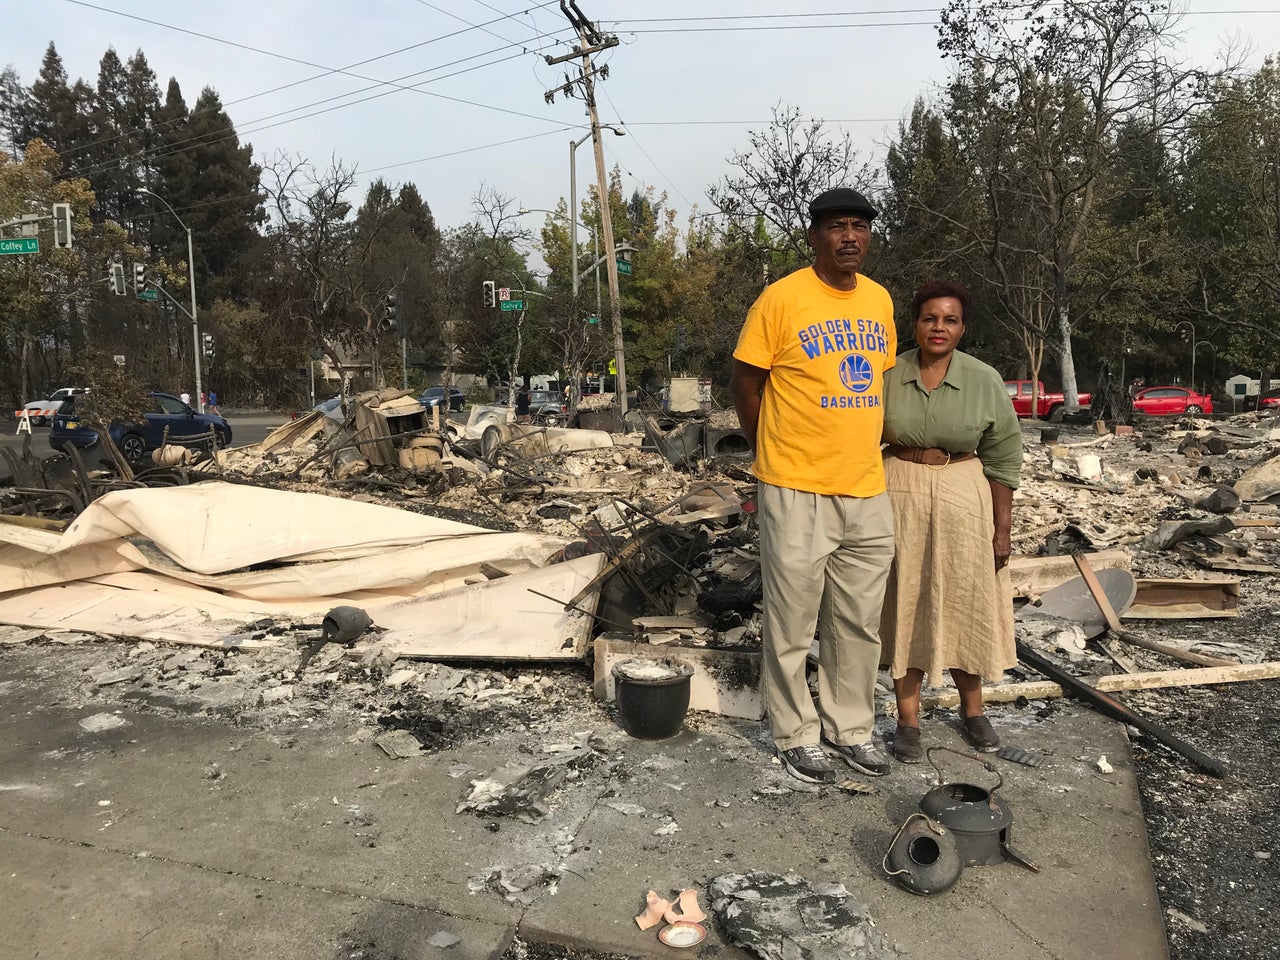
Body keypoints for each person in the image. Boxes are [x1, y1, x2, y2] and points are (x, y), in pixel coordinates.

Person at [731, 187, 898, 784]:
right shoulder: (781, 300)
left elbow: (873, 384)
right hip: (796, 485)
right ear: (814, 236)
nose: (850, 236)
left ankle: (850, 727)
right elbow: (747, 380)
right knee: (792, 620)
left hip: (865, 485)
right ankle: (795, 732)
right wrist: (766, 448)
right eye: (837, 227)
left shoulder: (879, 301)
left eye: (859, 226)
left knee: (858, 621)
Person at [879, 279, 1023, 762]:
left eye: (950, 319)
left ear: (963, 328)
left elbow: (1003, 458)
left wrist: (1002, 530)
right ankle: (908, 720)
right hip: (898, 490)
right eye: (929, 318)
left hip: (965, 491)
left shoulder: (983, 379)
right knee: (906, 601)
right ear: (915, 323)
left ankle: (974, 711)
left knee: (967, 597)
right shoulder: (886, 372)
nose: (939, 327)